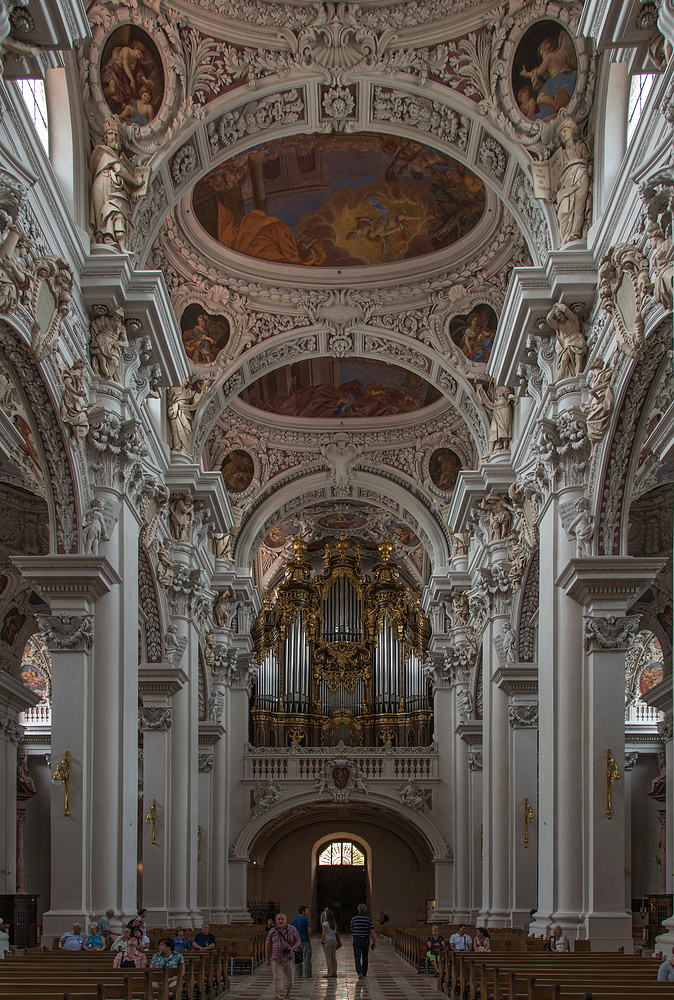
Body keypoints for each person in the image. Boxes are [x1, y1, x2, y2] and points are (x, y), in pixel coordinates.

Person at [265, 912, 301, 1000]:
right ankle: (277, 995)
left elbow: (298, 941)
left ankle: (288, 993)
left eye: (282, 919)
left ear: (286, 920)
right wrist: (267, 958)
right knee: (278, 977)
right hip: (276, 958)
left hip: (289, 958)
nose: (280, 921)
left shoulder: (292, 929)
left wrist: (293, 948)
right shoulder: (272, 931)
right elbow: (268, 944)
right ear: (276, 921)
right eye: (278, 919)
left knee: (290, 978)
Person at [350, 902, 376, 981]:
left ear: (358, 910)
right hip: (365, 939)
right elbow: (371, 931)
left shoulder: (354, 919)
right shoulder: (368, 919)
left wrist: (357, 930)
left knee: (357, 956)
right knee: (365, 956)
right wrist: (374, 941)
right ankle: (364, 971)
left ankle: (360, 972)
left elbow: (351, 928)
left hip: (357, 938)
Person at [291, 905, 312, 978]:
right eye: (307, 911)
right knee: (306, 956)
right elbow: (309, 930)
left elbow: (292, 931)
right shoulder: (305, 919)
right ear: (303, 912)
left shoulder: (294, 919)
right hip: (305, 940)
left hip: (296, 941)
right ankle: (308, 973)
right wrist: (308, 935)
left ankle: (299, 973)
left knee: (298, 957)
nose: (308, 912)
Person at [321, 909, 339, 979]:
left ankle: (329, 972)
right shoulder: (334, 923)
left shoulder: (325, 924)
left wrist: (322, 941)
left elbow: (324, 934)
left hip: (327, 941)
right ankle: (334, 972)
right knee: (333, 957)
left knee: (328, 957)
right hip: (334, 941)